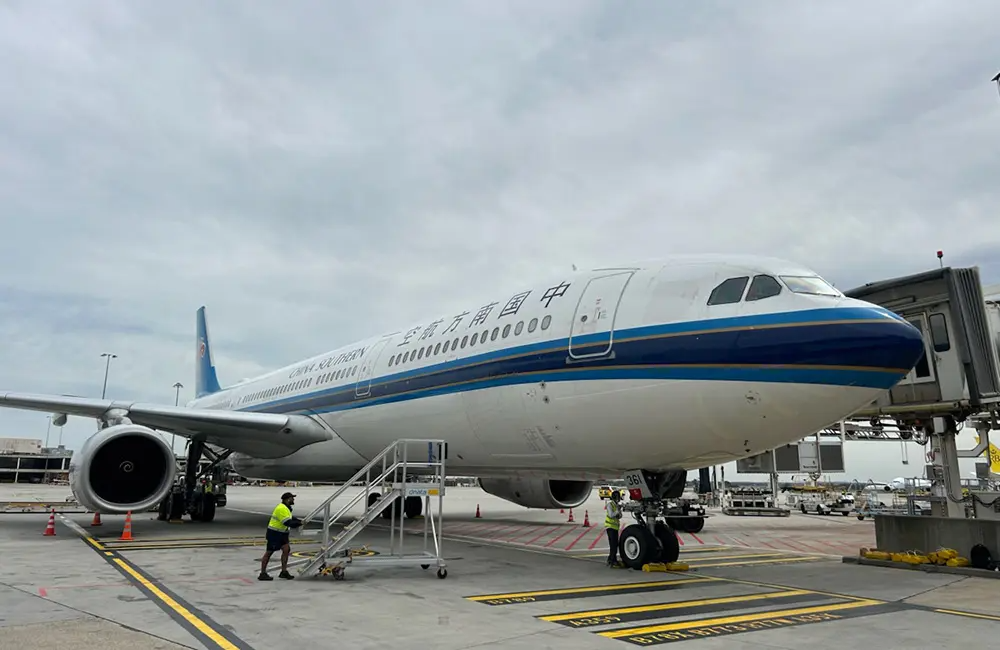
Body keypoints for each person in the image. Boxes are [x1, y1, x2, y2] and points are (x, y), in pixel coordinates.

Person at [259, 492, 301, 581]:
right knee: (269, 552)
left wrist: (298, 520)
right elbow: (287, 522)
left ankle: (283, 572)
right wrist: (300, 523)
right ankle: (262, 573)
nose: (293, 500)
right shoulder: (281, 508)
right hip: (275, 533)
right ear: (287, 499)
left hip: (283, 533)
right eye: (292, 498)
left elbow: (290, 517)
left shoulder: (286, 508)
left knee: (286, 549)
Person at [605, 489, 623, 567]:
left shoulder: (616, 505)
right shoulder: (610, 505)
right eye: (618, 497)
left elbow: (620, 516)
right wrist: (617, 510)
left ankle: (610, 559)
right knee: (613, 545)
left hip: (615, 527)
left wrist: (619, 511)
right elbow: (611, 515)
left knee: (615, 545)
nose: (619, 499)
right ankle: (613, 561)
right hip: (610, 527)